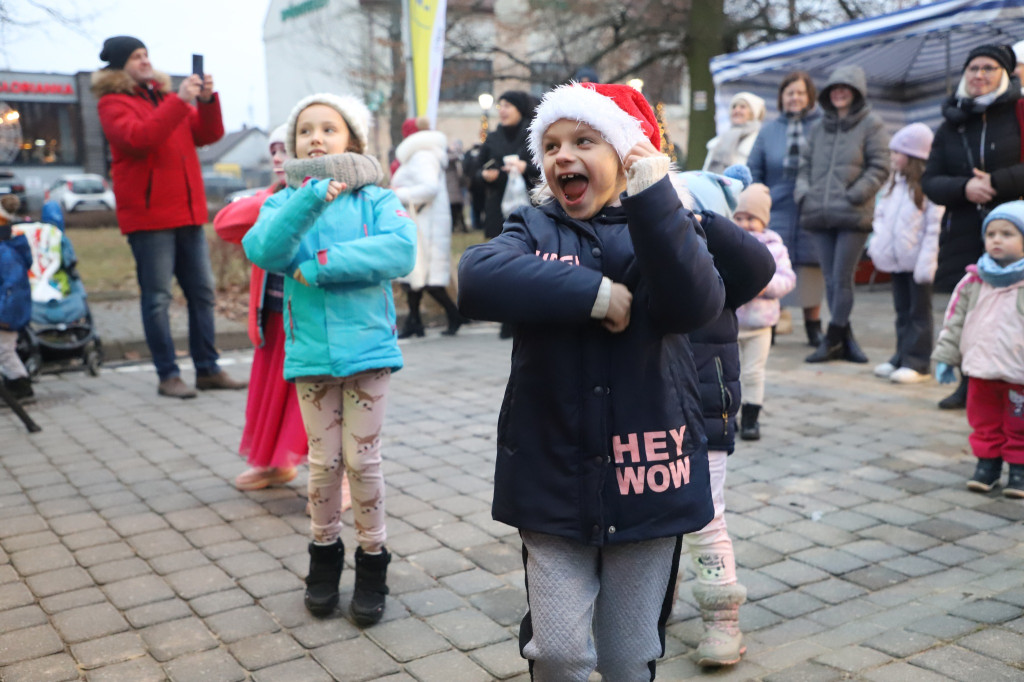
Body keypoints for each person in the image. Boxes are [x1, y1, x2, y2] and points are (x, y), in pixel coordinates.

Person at [458, 82, 726, 680]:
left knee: (629, 659)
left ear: (629, 154)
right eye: (550, 144)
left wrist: (654, 196)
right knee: (556, 653)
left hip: (650, 473)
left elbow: (695, 302)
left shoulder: (665, 227)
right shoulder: (531, 225)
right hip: (553, 475)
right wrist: (594, 294)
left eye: (584, 140)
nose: (562, 156)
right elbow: (476, 278)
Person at [242, 93, 415, 625]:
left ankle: (373, 559)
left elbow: (399, 252)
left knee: (362, 462)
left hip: (369, 353)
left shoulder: (377, 199)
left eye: (329, 129)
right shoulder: (284, 202)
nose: (316, 138)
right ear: (292, 144)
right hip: (312, 356)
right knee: (323, 465)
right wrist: (308, 200)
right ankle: (323, 557)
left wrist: (322, 264)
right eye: (305, 130)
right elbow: (266, 250)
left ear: (352, 140)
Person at [92, 35, 246, 399]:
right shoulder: (113, 103)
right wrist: (181, 100)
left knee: (202, 294)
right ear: (117, 66)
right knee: (158, 298)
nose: (145, 61)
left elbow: (208, 134)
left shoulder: (165, 99)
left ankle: (207, 369)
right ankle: (167, 374)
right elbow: (140, 138)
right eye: (135, 57)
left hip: (187, 213)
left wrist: (206, 101)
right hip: (149, 219)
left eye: (146, 55)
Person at [682, 178, 776, 668]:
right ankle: (642, 612)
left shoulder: (724, 279)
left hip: (707, 417)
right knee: (646, 525)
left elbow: (760, 263)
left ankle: (722, 619)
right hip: (647, 420)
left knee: (706, 517)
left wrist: (704, 221)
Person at [924, 44, 1024, 410]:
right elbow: (931, 181)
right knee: (970, 309)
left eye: (988, 68)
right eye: (973, 68)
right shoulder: (951, 123)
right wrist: (965, 187)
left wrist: (997, 181)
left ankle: (1014, 382)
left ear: (1004, 74)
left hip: (1014, 229)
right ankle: (972, 383)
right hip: (965, 229)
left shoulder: (1019, 112)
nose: (979, 74)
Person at [796, 64, 890, 364]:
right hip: (818, 215)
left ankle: (833, 337)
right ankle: (844, 341)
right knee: (830, 277)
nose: (839, 93)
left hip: (852, 214)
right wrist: (804, 195)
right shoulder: (819, 127)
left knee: (841, 277)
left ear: (856, 93)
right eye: (834, 88)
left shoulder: (872, 125)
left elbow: (880, 166)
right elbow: (804, 165)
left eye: (845, 88)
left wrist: (855, 195)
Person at [932, 201, 1024, 498]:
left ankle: (1019, 469)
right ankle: (988, 465)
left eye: (1007, 234)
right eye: (991, 233)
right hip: (981, 369)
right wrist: (947, 357)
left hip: (1018, 372)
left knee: (1018, 422)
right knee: (983, 420)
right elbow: (954, 320)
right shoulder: (973, 280)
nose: (997, 239)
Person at [748, 71, 825, 347]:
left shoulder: (823, 126)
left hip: (811, 208)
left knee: (811, 267)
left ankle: (814, 326)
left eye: (801, 93)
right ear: (781, 97)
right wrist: (758, 199)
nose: (795, 98)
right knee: (774, 264)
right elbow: (754, 168)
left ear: (810, 96)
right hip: (775, 209)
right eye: (790, 92)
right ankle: (772, 322)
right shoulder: (769, 131)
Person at [869, 123, 944, 385]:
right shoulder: (893, 185)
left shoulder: (927, 189)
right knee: (901, 310)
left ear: (913, 156)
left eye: (897, 153)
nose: (892, 159)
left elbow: (933, 229)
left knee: (918, 313)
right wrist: (878, 244)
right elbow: (881, 217)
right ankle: (901, 356)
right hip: (897, 261)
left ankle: (918, 362)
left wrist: (927, 263)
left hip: (917, 263)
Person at [732, 183, 795, 441]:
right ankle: (729, 415)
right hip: (732, 323)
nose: (745, 224)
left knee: (753, 372)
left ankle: (751, 418)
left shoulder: (775, 248)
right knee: (731, 373)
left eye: (751, 219)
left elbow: (787, 279)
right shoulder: (729, 242)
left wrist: (764, 286)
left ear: (764, 220)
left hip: (760, 324)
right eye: (739, 218)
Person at [391, 117, 465, 338]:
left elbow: (429, 188)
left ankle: (452, 315)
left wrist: (398, 193)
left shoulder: (421, 155)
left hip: (425, 223)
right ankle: (416, 323)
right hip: (423, 221)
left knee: (425, 278)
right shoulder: (424, 154)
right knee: (415, 277)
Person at [477, 90, 540, 240]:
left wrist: (525, 168)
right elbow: (476, 171)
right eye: (500, 106)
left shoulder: (534, 136)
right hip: (497, 210)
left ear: (519, 109)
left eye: (508, 105)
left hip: (531, 207)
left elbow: (545, 170)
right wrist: (485, 176)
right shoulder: (492, 138)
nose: (502, 110)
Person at [0, 197, 33, 403]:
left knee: (5, 352)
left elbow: (12, 290)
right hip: (6, 311)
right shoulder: (7, 252)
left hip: (6, 315)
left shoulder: (6, 255)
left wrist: (4, 315)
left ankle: (21, 387)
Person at [703, 92, 766, 174]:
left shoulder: (760, 139)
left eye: (742, 107)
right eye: (734, 107)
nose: (737, 110)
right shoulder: (719, 140)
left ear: (753, 113)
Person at [446, 139, 468, 232]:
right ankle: (457, 226)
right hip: (451, 187)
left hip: (455, 186)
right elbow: (456, 157)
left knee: (458, 208)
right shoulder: (447, 157)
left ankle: (460, 226)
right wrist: (457, 150)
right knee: (455, 209)